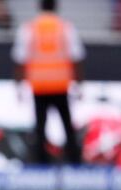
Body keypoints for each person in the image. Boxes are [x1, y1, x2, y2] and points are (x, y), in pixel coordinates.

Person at [12, 0, 85, 165]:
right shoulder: (65, 27)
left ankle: (41, 163)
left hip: (39, 86)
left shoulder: (29, 28)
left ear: (39, 6)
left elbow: (20, 59)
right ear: (56, 6)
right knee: (67, 126)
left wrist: (18, 86)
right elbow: (77, 57)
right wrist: (79, 85)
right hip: (60, 85)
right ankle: (75, 162)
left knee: (40, 128)